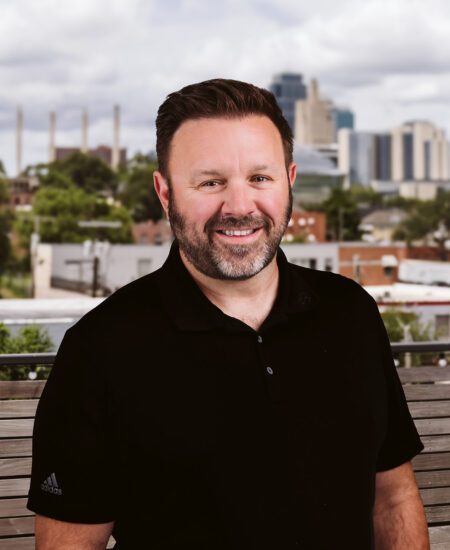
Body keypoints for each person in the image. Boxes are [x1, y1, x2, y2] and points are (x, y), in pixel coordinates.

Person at [27, 79, 429, 550]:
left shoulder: (352, 313)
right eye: (211, 182)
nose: (239, 207)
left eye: (260, 178)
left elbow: (394, 499)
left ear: (289, 181)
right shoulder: (99, 349)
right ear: (165, 192)